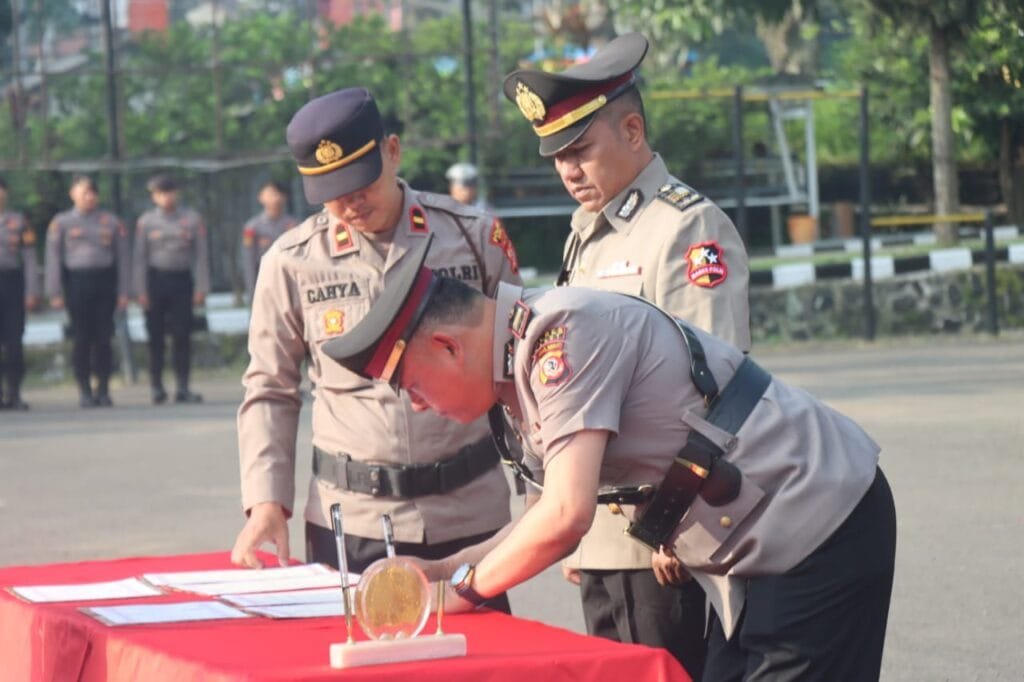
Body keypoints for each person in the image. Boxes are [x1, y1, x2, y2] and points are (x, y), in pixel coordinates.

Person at [322, 241, 897, 682]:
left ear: (448, 346)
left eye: (412, 385)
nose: (418, 405)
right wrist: (443, 570)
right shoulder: (518, 363)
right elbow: (547, 511)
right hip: (758, 543)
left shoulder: (559, 333)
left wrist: (462, 592)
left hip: (818, 522)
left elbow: (567, 516)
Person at [502, 32, 751, 677]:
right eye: (557, 155)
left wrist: (672, 521)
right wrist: (562, 517)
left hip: (662, 536)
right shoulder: (585, 237)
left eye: (580, 149)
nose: (567, 170)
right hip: (600, 530)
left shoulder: (684, 229)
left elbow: (715, 389)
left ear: (633, 129)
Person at [230, 88, 523, 612]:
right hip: (353, 523)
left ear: (392, 151)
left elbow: (520, 367)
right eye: (331, 192)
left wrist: (547, 493)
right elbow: (270, 387)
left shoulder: (472, 237)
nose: (349, 204)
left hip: (469, 517)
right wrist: (265, 502)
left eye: (359, 183)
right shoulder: (292, 261)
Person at [45, 175, 129, 408]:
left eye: (92, 192)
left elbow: (122, 259)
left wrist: (124, 291)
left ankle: (103, 388)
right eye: (84, 192)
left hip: (104, 284)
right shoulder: (61, 223)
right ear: (73, 193)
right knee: (81, 338)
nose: (89, 196)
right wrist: (54, 292)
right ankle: (84, 390)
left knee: (104, 338)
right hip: (76, 284)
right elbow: (53, 259)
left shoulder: (111, 221)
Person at [132, 175, 210, 404]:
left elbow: (202, 255)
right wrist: (140, 290)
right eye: (160, 193)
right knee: (155, 337)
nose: (166, 197)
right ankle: (156, 387)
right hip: (155, 281)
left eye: (169, 192)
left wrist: (202, 287)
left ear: (177, 193)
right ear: (154, 196)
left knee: (182, 336)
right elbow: (139, 257)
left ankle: (183, 387)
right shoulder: (145, 222)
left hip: (182, 281)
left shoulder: (192, 219)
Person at [0, 178, 39, 410]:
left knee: (14, 342)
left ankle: (14, 392)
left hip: (12, 284)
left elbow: (31, 259)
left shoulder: (19, 222)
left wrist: (33, 290)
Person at [240, 181, 298, 301]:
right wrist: (251, 289)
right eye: (270, 194)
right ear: (261, 197)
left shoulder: (294, 225)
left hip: (290, 281)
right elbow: (248, 260)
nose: (275, 198)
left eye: (278, 194)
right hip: (264, 280)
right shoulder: (252, 227)